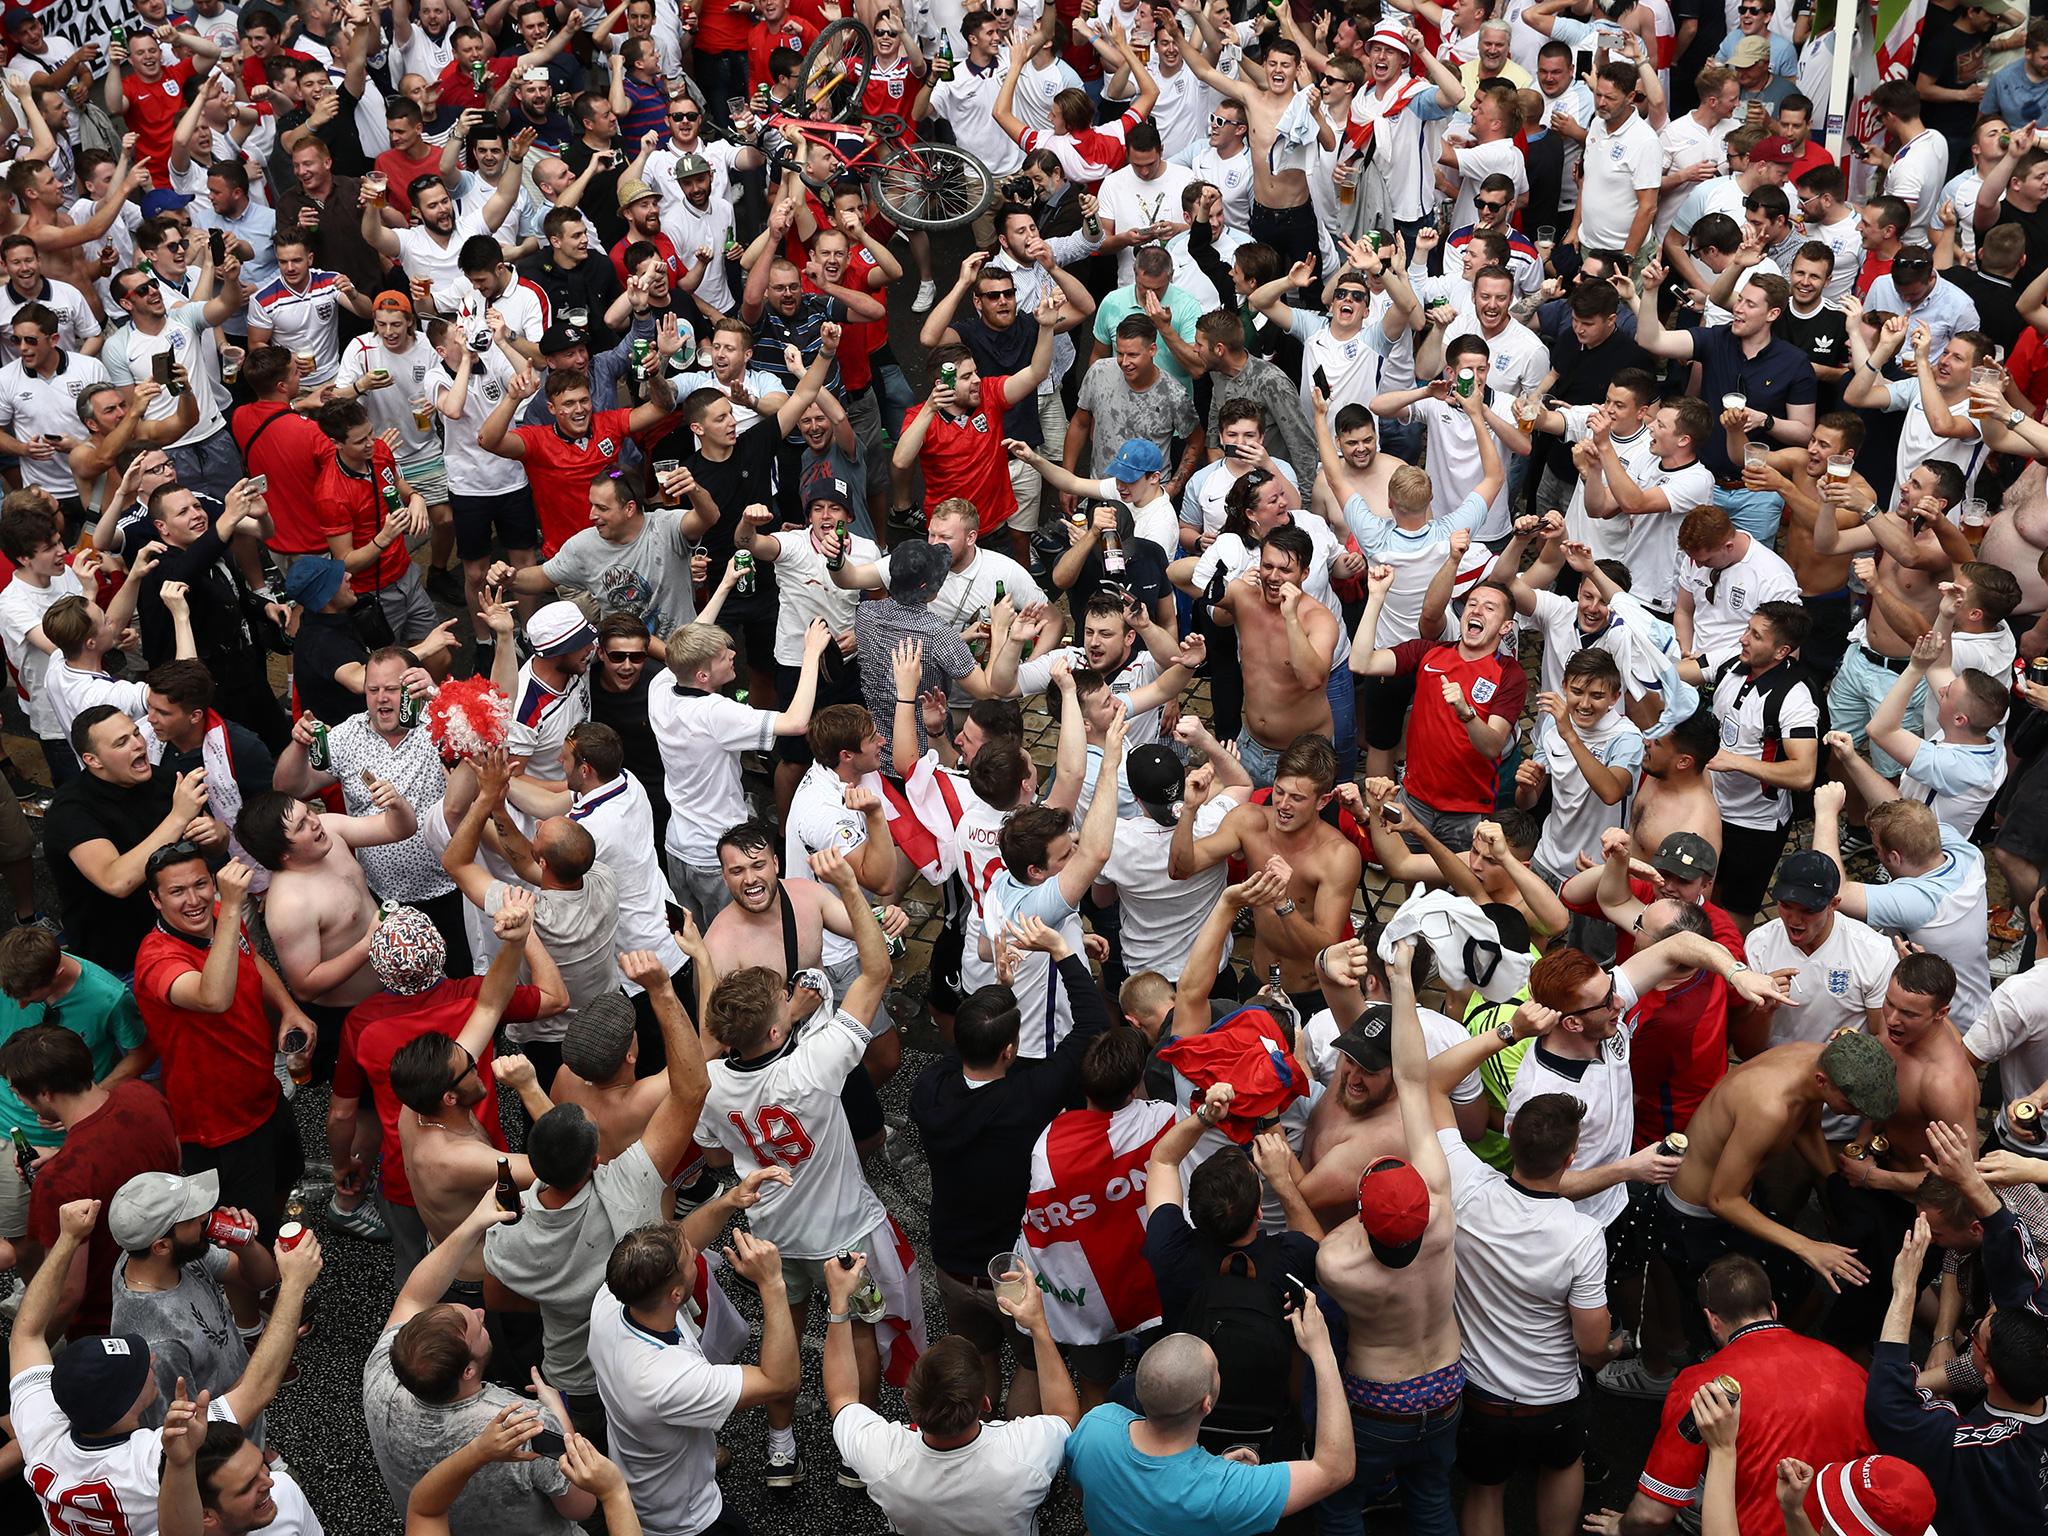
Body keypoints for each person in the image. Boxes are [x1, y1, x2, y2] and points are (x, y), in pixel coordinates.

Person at [693, 855, 920, 1485]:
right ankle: (856, 1453)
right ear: (775, 1024)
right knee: (860, 1334)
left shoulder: (710, 1084)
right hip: (842, 1235)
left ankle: (782, 1447)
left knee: (782, 1333)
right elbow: (876, 970)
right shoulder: (816, 1065)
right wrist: (848, 884)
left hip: (769, 1237)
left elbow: (714, 1156)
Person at [10, 1194, 319, 1536]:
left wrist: (68, 1238)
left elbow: (25, 1334)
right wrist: (294, 1286)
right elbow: (256, 1390)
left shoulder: (41, 1431)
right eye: (141, 1368)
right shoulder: (152, 1459)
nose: (151, 1357)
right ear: (126, 1406)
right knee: (285, 1499)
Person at [332, 895, 561, 1280]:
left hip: (403, 1185)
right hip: (478, 1258)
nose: (475, 1064)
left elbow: (342, 1112)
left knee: (414, 1266)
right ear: (450, 1096)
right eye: (469, 1067)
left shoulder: (403, 1076)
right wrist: (531, 1090)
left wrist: (343, 1164)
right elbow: (568, 1168)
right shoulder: (463, 1156)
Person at [363, 1186, 596, 1535]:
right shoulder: (521, 1425)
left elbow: (413, 1295)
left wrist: (476, 1222)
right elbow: (581, 1505)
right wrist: (558, 1416)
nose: (480, 1311)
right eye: (476, 1325)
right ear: (468, 1370)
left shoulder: (382, 1375)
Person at [1595, 1255, 1877, 1534]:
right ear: (1773, 1309)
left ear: (1712, 1320)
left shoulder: (1701, 1385)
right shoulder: (1850, 1369)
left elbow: (1651, 1515)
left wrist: (1620, 1529)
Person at [829, 1246, 1078, 1536]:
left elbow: (843, 1397)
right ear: (985, 1403)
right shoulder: (1025, 1455)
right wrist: (1038, 1325)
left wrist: (838, 1302)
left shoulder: (883, 1458)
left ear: (908, 1399)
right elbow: (1064, 1415)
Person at [132, 850, 310, 1236]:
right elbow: (212, 997)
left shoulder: (219, 922)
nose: (194, 900)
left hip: (264, 1093)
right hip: (219, 1126)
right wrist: (230, 907)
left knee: (281, 1183)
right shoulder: (157, 958)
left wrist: (288, 1008)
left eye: (200, 885)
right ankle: (256, 1290)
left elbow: (251, 958)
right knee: (240, 1231)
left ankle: (270, 1260)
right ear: (155, 900)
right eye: (177, 891)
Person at [590, 1222, 796, 1529]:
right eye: (690, 1258)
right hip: (685, 1519)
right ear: (675, 1294)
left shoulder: (612, 1297)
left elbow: (675, 1246)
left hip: (642, 1481)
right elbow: (780, 1381)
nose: (697, 1252)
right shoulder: (668, 1379)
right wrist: (772, 1283)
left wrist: (730, 1200)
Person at [0, 1024, 178, 1338]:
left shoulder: (60, 1182)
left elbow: (68, 1293)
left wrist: (29, 1348)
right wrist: (65, 1152)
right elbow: (171, 1163)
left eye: (17, 1091)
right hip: (172, 1278)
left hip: (109, 1322)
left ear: (45, 1093)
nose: (17, 1098)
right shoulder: (143, 1094)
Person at [42, 707, 218, 979]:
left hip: (188, 936)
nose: (139, 744)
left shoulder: (162, 780)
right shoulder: (71, 811)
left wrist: (215, 833)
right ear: (93, 760)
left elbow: (217, 846)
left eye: (136, 733)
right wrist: (178, 818)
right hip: (123, 961)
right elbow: (116, 880)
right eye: (121, 742)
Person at [106, 1168, 277, 1432]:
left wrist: (246, 1245)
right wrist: (260, 1374)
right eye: (190, 1217)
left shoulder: (158, 1257)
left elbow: (261, 1279)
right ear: (161, 1246)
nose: (205, 1217)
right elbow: (189, 1433)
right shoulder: (159, 1343)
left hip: (246, 1410)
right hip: (226, 1438)